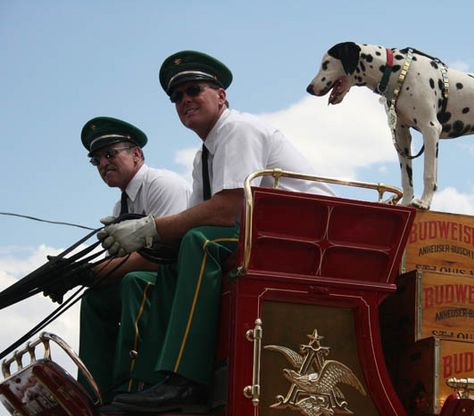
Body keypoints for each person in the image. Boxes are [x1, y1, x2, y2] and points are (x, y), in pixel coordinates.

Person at [97, 50, 333, 413]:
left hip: (311, 239)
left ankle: (185, 382)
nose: (185, 100)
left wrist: (148, 228)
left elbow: (227, 210)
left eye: (194, 90)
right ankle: (151, 383)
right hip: (269, 237)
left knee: (199, 243)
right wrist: (150, 239)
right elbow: (200, 218)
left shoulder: (237, 129)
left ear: (221, 95)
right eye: (177, 97)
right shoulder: (202, 155)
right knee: (170, 261)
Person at [77, 117, 191, 403]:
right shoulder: (121, 205)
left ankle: (134, 385)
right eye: (96, 160)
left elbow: (164, 258)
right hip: (153, 277)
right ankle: (93, 392)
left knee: (134, 282)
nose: (103, 164)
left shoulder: (162, 185)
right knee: (95, 298)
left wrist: (88, 272)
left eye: (109, 154)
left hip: (182, 282)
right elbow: (117, 264)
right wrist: (84, 275)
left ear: (136, 154)